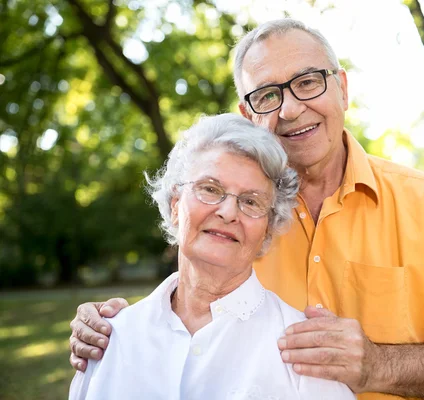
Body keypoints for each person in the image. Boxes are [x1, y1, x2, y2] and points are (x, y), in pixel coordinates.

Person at [68, 19, 424, 400]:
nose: (290, 108)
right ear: (249, 115)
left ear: (341, 87)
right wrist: (113, 330)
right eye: (267, 95)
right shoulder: (241, 220)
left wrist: (378, 365)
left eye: (307, 82)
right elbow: (190, 314)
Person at [68, 114, 355, 399]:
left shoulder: (302, 352)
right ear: (176, 204)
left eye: (251, 202)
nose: (228, 212)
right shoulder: (109, 338)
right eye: (210, 189)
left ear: (267, 231)